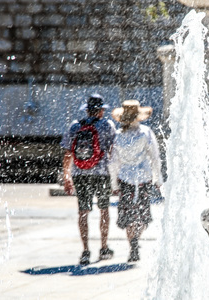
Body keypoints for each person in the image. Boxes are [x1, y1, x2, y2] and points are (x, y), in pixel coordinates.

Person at [61, 93, 116, 266]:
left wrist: (66, 176)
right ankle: (104, 247)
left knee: (83, 212)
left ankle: (85, 251)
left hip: (80, 174)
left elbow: (68, 153)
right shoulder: (107, 125)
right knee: (104, 210)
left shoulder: (75, 126)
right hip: (102, 174)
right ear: (100, 111)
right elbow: (114, 151)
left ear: (86, 110)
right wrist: (116, 176)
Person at [109, 100, 163, 262]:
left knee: (128, 217)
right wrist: (157, 178)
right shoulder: (145, 133)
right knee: (142, 215)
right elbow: (155, 157)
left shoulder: (118, 136)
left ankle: (132, 244)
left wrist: (113, 183)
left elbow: (114, 162)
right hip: (143, 179)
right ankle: (135, 241)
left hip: (125, 180)